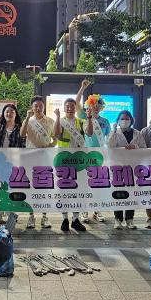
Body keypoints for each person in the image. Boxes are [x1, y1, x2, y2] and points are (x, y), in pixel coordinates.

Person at [54, 97, 93, 232]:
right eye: (67, 106)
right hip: (63, 160)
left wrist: (89, 118)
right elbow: (56, 134)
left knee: (79, 189)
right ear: (64, 108)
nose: (70, 108)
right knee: (64, 190)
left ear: (75, 108)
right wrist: (58, 117)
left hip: (78, 161)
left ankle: (75, 219)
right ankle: (64, 218)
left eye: (72, 106)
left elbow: (90, 133)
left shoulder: (81, 122)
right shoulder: (60, 121)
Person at [75, 79, 109, 223]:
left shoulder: (106, 122)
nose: (96, 107)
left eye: (98, 105)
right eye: (93, 104)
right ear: (89, 105)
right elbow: (76, 104)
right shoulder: (84, 117)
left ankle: (97, 210)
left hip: (100, 156)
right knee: (84, 183)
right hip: (86, 154)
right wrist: (82, 88)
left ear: (101, 107)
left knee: (98, 183)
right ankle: (84, 210)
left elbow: (109, 138)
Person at [20, 96, 55, 229]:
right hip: (30, 158)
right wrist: (27, 118)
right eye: (35, 106)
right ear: (32, 107)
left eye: (40, 105)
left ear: (44, 107)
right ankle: (31, 216)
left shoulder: (50, 121)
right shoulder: (28, 120)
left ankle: (45, 216)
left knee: (45, 187)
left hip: (45, 159)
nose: (38, 108)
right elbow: (22, 135)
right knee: (31, 188)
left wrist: (52, 145)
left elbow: (55, 138)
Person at [107, 110, 146, 229]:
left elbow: (144, 148)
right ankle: (117, 219)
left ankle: (129, 219)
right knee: (118, 193)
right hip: (118, 167)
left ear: (131, 120)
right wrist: (113, 131)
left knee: (132, 193)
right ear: (118, 120)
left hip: (133, 168)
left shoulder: (137, 133)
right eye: (122, 118)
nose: (124, 121)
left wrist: (135, 146)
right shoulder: (114, 132)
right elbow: (110, 146)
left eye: (127, 119)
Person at [0, 103, 25, 224]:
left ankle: (10, 212)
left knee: (11, 187)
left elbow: (22, 145)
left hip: (12, 162)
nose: (9, 114)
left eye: (11, 112)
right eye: (7, 112)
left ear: (15, 114)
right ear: (4, 114)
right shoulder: (0, 125)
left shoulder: (19, 127)